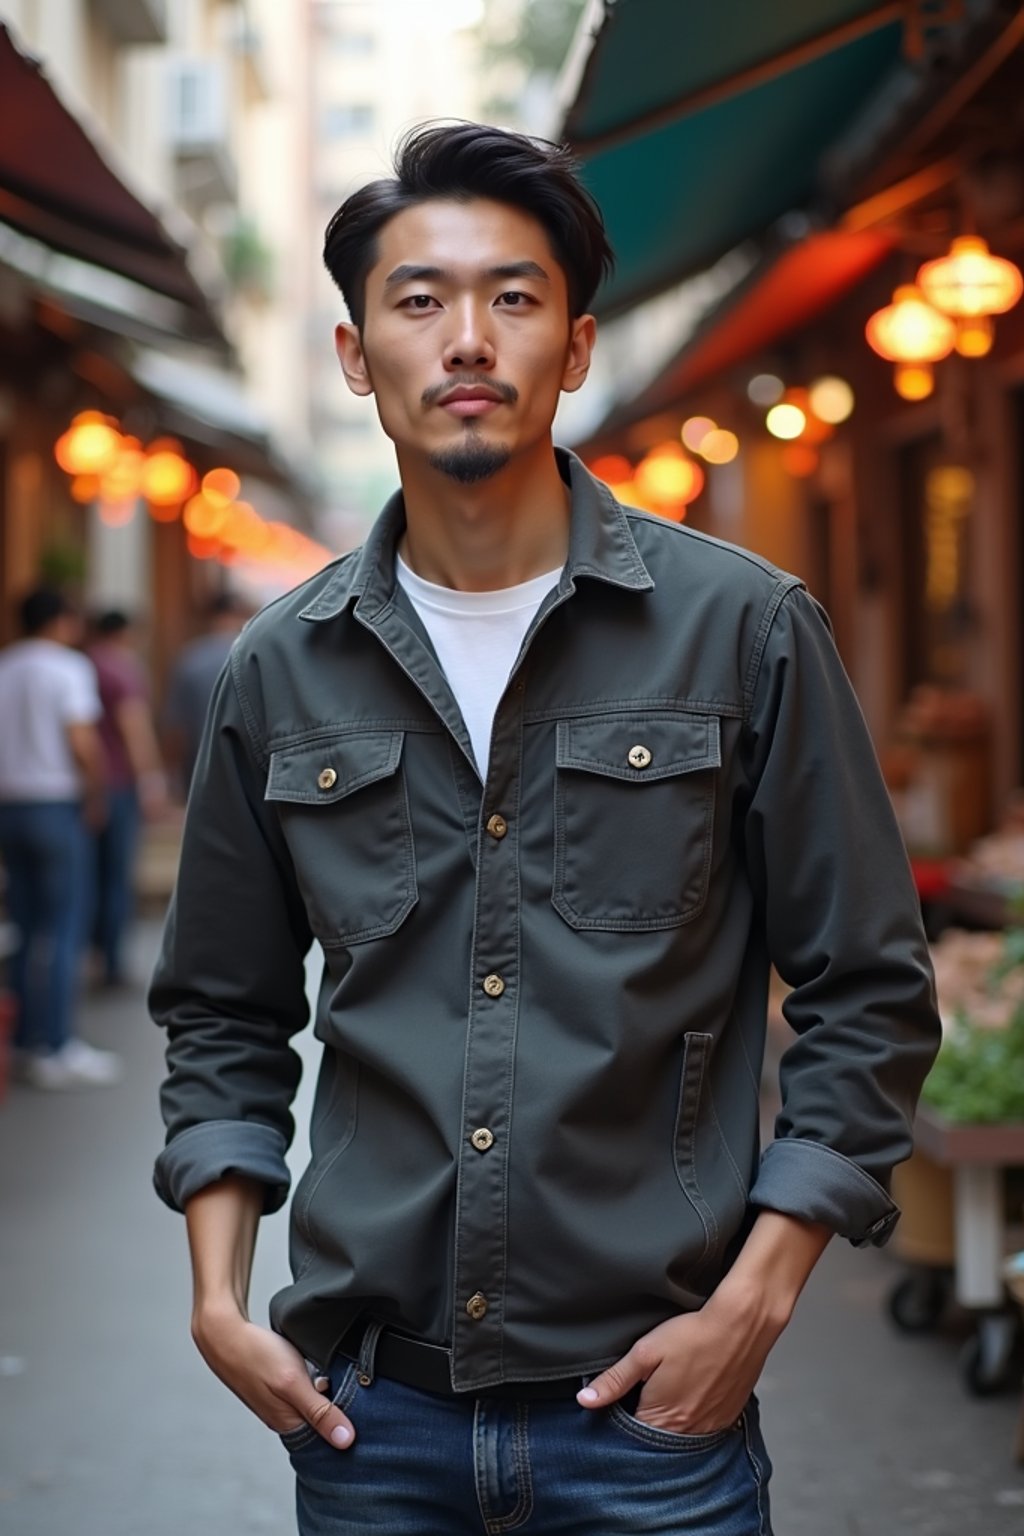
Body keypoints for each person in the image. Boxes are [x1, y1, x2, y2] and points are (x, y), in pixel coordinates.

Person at [151, 123, 941, 1535]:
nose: (468, 337)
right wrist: (216, 1301)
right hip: (368, 1424)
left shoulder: (744, 632)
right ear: (355, 356)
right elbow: (224, 1006)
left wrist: (753, 1305)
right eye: (419, 299)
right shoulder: (281, 668)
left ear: (574, 349)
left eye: (515, 298)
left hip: (650, 1420)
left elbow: (868, 988)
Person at [0, 587, 121, 1089]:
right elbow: (81, 738)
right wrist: (96, 793)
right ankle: (57, 1043)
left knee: (25, 927)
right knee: (65, 924)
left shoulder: (6, 666)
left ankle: (27, 1038)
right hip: (55, 803)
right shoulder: (67, 667)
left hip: (10, 806)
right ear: (61, 621)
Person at [86, 609, 167, 988]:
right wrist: (151, 780)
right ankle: (113, 962)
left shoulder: (84, 664)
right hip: (118, 783)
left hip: (86, 786)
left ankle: (92, 950)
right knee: (118, 874)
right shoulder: (122, 669)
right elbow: (133, 727)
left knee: (92, 873)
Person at [162, 591, 249, 798]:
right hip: (249, 767)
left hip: (200, 768)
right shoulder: (253, 653)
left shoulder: (190, 658)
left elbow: (177, 728)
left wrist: (170, 775)